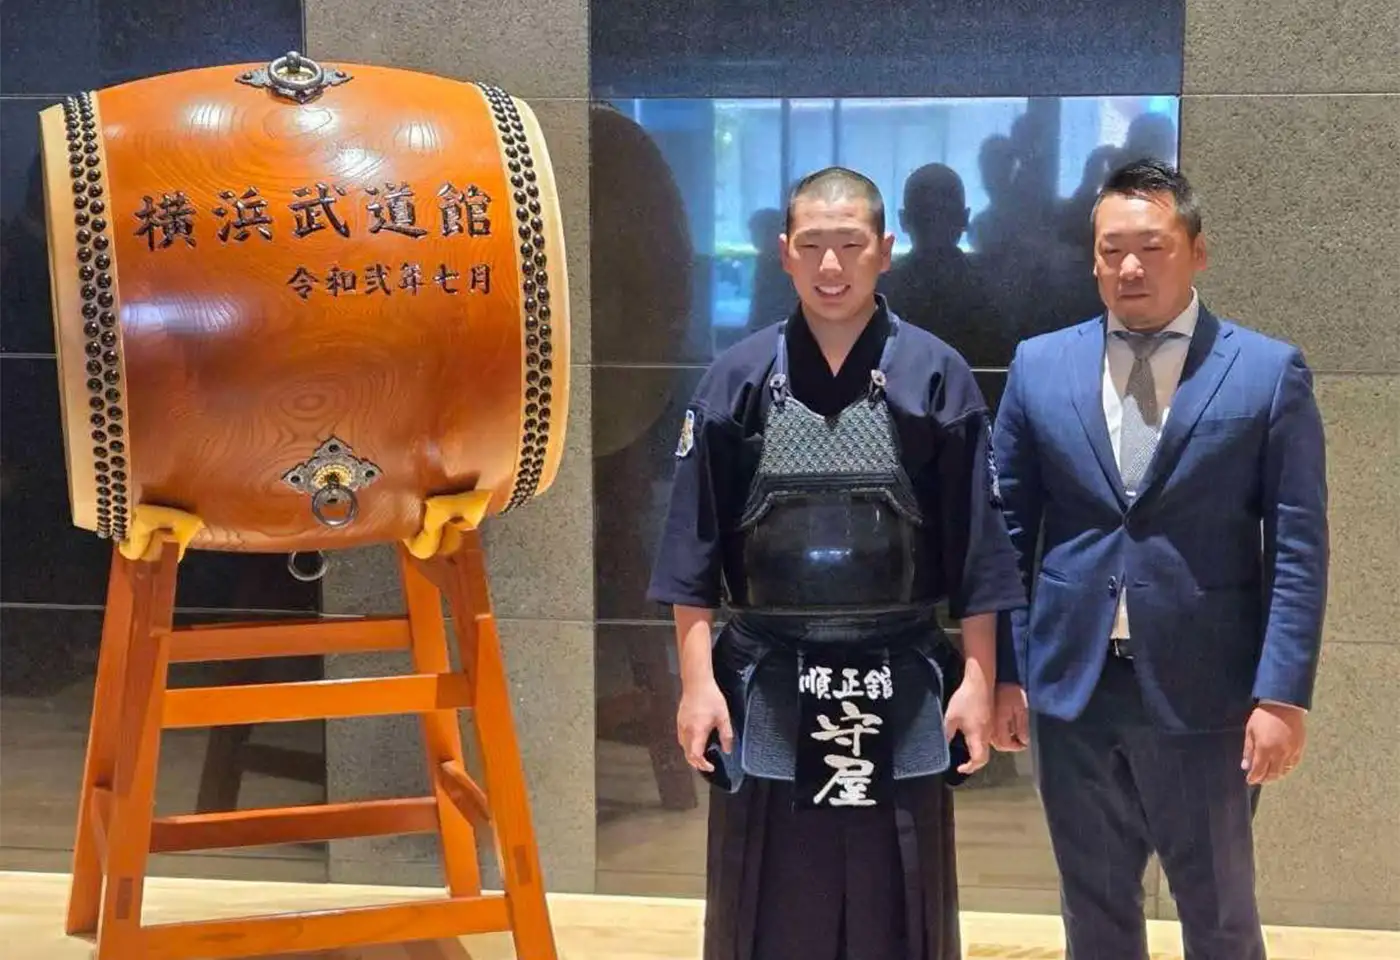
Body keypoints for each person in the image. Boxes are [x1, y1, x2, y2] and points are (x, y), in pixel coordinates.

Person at [646, 166, 1027, 960]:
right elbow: (692, 552)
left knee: (900, 898)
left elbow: (978, 550)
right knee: (769, 902)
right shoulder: (737, 378)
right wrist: (696, 684)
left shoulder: (937, 374)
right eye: (813, 245)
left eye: (850, 245)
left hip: (902, 672)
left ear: (884, 250)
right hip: (766, 675)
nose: (831, 266)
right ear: (784, 251)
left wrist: (979, 680)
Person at [989, 159, 1329, 960]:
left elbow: (1298, 546)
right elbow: (1006, 532)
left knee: (1219, 914)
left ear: (1197, 251)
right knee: (1093, 912)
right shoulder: (1040, 365)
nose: (1130, 268)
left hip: (1209, 695)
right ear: (1092, 260)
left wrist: (1282, 694)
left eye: (1152, 247)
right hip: (1072, 690)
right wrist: (1006, 668)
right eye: (1111, 251)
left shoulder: (1266, 372)